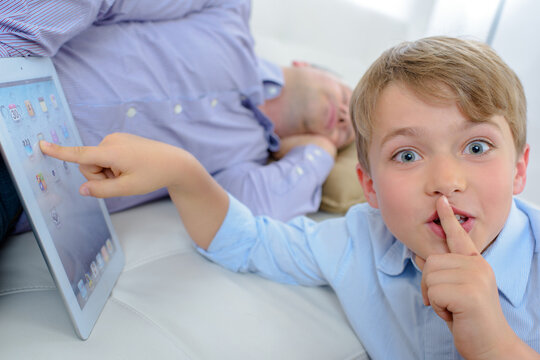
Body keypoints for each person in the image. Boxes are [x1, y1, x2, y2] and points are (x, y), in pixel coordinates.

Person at [39, 36, 540, 358]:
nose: (446, 180)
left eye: (476, 146)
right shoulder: (358, 240)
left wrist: (495, 344)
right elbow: (246, 240)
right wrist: (181, 170)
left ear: (519, 168)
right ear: (368, 187)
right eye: (407, 156)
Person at [0, 0, 354, 240]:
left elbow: (252, 217)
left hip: (19, 186)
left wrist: (320, 149)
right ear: (305, 64)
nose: (344, 117)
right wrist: (11, 50)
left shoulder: (243, 162)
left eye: (347, 132)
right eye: (348, 99)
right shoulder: (226, 10)